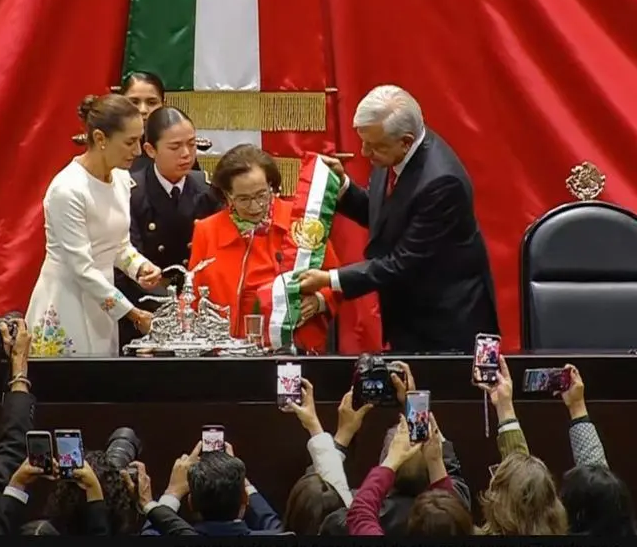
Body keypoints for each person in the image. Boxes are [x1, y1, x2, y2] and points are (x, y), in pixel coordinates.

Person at [297, 85, 498, 352]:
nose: (364, 153)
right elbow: (388, 217)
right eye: (363, 142)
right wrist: (342, 186)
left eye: (374, 146)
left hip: (445, 327)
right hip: (409, 317)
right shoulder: (395, 153)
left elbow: (403, 262)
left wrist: (330, 279)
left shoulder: (441, 183)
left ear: (406, 140)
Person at [25, 94, 162, 357]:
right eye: (130, 142)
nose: (137, 151)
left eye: (140, 140)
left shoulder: (121, 180)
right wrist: (132, 313)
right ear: (100, 139)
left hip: (103, 303)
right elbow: (82, 268)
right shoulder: (68, 190)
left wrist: (140, 267)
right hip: (67, 300)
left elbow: (119, 245)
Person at [189, 145, 340, 353]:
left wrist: (319, 301)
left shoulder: (301, 224)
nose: (255, 206)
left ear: (271, 185)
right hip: (228, 350)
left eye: (262, 194)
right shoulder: (207, 230)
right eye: (243, 199)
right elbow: (194, 296)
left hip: (295, 346)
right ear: (227, 195)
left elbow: (334, 281)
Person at [118, 107, 221, 348]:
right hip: (146, 308)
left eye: (192, 144)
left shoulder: (206, 190)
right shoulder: (132, 192)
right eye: (175, 147)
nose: (186, 154)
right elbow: (125, 260)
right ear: (150, 150)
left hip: (197, 307)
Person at [121, 70, 202, 174]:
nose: (143, 110)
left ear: (163, 104)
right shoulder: (111, 144)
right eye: (134, 102)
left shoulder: (180, 143)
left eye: (151, 102)